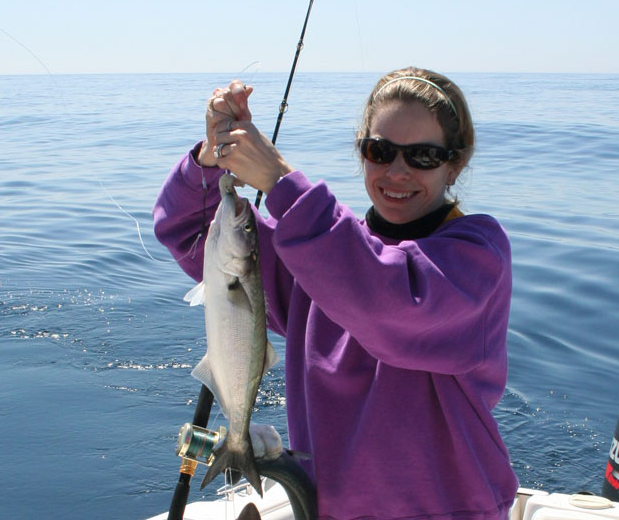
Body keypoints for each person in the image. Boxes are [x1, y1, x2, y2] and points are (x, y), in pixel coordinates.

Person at [153, 67, 518, 520]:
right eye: (379, 151)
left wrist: (281, 182)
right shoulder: (319, 256)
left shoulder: (476, 257)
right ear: (361, 152)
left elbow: (390, 306)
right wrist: (212, 158)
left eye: (422, 156)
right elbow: (194, 232)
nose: (397, 172)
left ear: (455, 164)